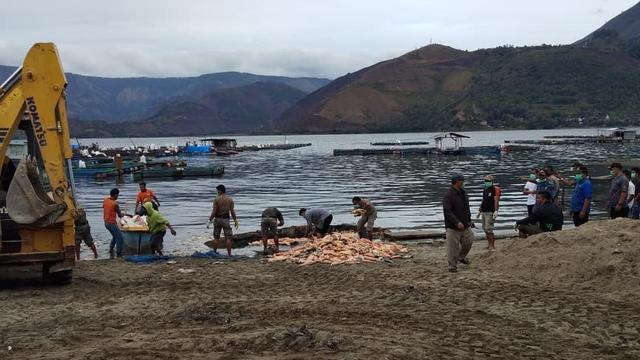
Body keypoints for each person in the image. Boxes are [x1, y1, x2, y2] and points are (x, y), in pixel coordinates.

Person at [442, 173, 474, 273]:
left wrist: (469, 220)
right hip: (452, 226)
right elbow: (447, 211)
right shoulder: (448, 195)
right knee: (453, 247)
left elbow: (466, 209)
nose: (463, 182)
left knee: (469, 241)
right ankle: (452, 266)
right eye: (462, 181)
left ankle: (461, 257)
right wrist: (456, 222)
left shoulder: (464, 192)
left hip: (465, 224)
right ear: (456, 182)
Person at [208, 184, 238, 256]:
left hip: (217, 219)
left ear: (220, 191)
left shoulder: (216, 199)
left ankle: (214, 252)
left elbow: (214, 211)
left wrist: (209, 220)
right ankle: (229, 254)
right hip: (226, 219)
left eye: (217, 190)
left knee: (216, 237)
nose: (217, 192)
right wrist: (235, 220)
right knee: (228, 238)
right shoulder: (230, 199)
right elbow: (232, 211)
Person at [477, 175, 500, 250]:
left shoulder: (494, 189)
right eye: (485, 181)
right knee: (485, 228)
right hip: (484, 211)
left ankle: (492, 246)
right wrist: (480, 209)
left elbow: (496, 200)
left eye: (488, 181)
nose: (486, 182)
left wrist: (496, 211)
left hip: (490, 212)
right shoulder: (485, 189)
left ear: (492, 182)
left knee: (489, 228)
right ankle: (489, 244)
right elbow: (483, 200)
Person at [103, 188, 126, 259]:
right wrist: (126, 214)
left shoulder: (105, 200)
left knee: (115, 236)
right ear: (115, 195)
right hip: (111, 223)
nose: (118, 196)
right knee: (120, 238)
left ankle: (111, 250)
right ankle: (119, 253)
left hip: (106, 223)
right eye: (118, 195)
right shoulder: (115, 204)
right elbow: (119, 215)